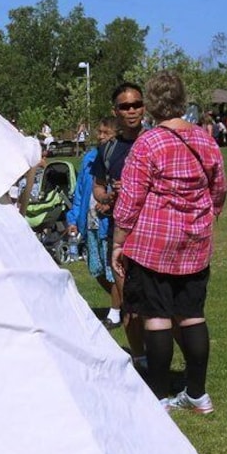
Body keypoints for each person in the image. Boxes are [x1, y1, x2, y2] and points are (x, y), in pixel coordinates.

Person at [113, 70, 227, 413]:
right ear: (181, 99)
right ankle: (197, 394)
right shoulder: (206, 140)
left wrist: (119, 241)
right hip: (195, 240)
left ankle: (161, 397)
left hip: (153, 243)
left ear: (152, 104)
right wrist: (207, 217)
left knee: (157, 318)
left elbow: (131, 198)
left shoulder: (148, 143)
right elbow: (218, 189)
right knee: (192, 315)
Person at [91, 82, 145, 366]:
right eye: (125, 106)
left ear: (144, 107)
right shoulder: (108, 150)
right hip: (121, 235)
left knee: (161, 305)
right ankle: (140, 358)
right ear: (116, 111)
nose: (132, 110)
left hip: (153, 232)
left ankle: (163, 358)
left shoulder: (155, 140)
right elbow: (98, 190)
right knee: (129, 303)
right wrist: (110, 194)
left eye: (136, 104)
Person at [67, 117, 120, 327]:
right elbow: (79, 194)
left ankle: (115, 311)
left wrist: (109, 204)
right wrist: (72, 219)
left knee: (112, 268)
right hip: (89, 222)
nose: (100, 136)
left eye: (105, 133)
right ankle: (123, 301)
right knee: (96, 268)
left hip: (109, 224)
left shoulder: (120, 159)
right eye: (99, 132)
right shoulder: (89, 158)